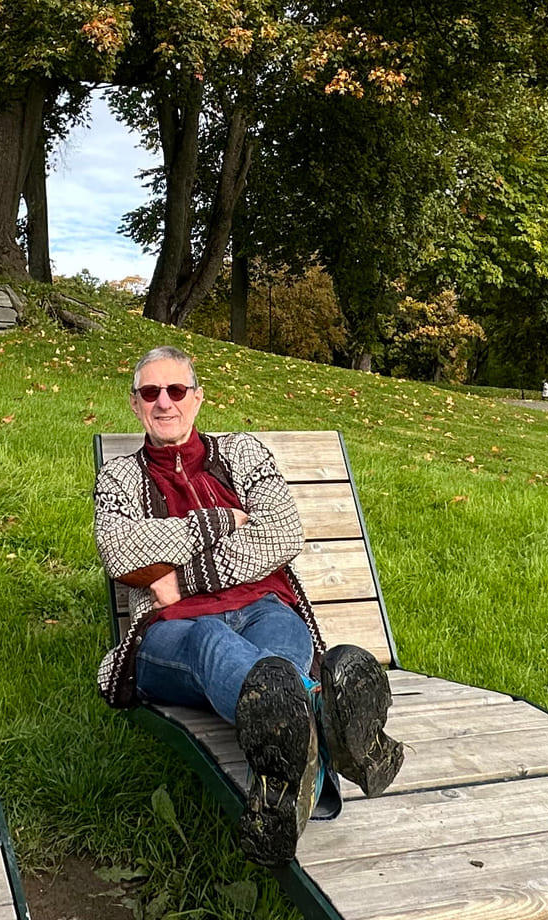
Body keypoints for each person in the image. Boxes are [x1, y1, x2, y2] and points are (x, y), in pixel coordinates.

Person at [92, 346, 403, 866]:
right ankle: (339, 723)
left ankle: (282, 796)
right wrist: (223, 522)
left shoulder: (242, 453)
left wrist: (183, 575)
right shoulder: (120, 478)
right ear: (135, 405)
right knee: (211, 641)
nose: (164, 403)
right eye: (151, 393)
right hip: (170, 630)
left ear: (198, 398)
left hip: (264, 607)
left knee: (273, 664)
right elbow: (121, 549)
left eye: (176, 390)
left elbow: (282, 531)